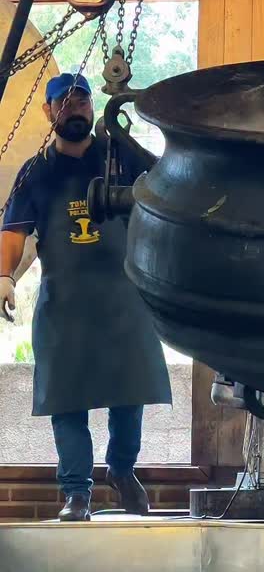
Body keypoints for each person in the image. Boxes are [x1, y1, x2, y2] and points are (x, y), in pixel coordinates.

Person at [0, 72, 171, 522]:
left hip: (123, 299)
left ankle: (122, 469)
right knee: (67, 401)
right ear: (48, 111)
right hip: (65, 306)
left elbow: (166, 192)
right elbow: (14, 232)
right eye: (65, 102)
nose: (74, 108)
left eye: (82, 101)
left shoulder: (121, 156)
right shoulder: (36, 172)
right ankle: (77, 493)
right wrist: (4, 275)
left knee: (130, 390)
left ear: (93, 107)